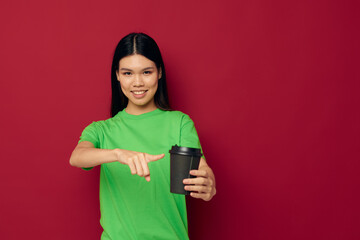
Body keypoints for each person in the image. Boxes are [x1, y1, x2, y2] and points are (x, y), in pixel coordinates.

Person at [69, 32, 216, 239]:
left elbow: (201, 168)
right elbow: (77, 157)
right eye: (128, 73)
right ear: (117, 75)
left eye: (146, 72)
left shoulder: (179, 123)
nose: (137, 82)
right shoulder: (102, 130)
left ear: (159, 73)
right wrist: (118, 154)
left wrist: (207, 183)